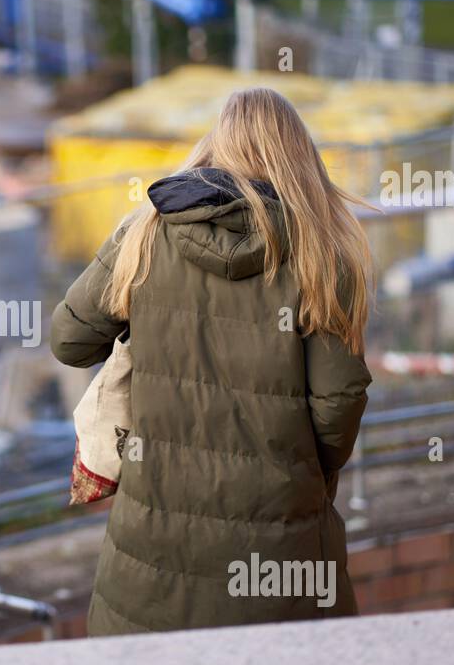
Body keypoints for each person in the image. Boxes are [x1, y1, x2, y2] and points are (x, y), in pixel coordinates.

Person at [50, 87, 374, 636]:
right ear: (299, 160)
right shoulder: (321, 256)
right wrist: (302, 471)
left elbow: (69, 341)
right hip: (279, 546)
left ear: (216, 146)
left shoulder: (145, 234)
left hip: (151, 549)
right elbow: (338, 403)